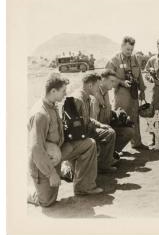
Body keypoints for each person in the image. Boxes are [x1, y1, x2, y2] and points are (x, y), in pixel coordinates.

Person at [27, 73, 103, 207]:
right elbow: (36, 148)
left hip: (58, 151)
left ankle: (83, 187)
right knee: (47, 201)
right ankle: (26, 192)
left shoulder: (52, 105)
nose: (65, 93)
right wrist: (51, 174)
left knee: (88, 144)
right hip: (44, 160)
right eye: (63, 91)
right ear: (53, 91)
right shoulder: (41, 114)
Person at [106, 36, 147, 150]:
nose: (129, 52)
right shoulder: (114, 60)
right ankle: (116, 147)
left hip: (134, 93)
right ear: (122, 46)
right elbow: (107, 76)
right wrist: (121, 82)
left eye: (131, 50)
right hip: (121, 93)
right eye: (127, 49)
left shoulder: (134, 59)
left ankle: (137, 143)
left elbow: (139, 76)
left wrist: (142, 90)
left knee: (135, 117)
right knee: (119, 119)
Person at [72, 73, 118, 173]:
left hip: (86, 130)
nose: (98, 89)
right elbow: (72, 125)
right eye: (97, 86)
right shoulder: (77, 99)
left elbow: (87, 118)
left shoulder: (87, 97)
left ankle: (103, 165)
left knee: (109, 132)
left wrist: (100, 125)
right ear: (90, 86)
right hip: (79, 135)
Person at [90, 69, 134, 155]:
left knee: (129, 131)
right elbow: (92, 120)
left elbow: (106, 110)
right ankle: (102, 158)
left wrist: (116, 114)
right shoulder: (95, 96)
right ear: (103, 80)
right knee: (111, 133)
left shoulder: (106, 93)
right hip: (99, 130)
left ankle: (111, 153)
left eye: (114, 81)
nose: (114, 84)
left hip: (107, 126)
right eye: (111, 81)